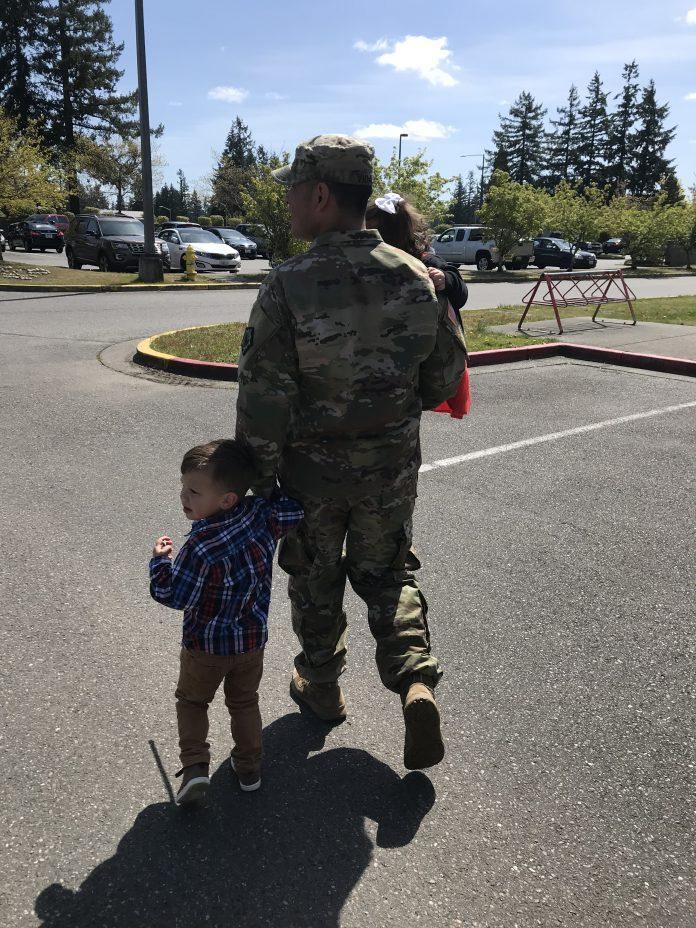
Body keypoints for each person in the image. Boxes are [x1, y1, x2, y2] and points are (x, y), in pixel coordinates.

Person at [235, 134, 467, 771]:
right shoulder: (419, 277)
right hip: (391, 468)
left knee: (314, 575)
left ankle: (324, 688)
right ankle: (414, 679)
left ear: (319, 194)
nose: (286, 202)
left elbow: (262, 398)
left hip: (310, 474)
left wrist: (254, 479)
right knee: (388, 572)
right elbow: (446, 377)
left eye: (291, 190)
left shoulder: (288, 284)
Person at [149, 439, 303, 805]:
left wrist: (159, 564)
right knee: (245, 702)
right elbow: (293, 511)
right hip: (251, 642)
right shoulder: (261, 517)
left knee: (192, 702)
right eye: (184, 487)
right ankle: (249, 768)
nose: (184, 496)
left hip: (205, 646)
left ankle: (195, 769)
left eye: (194, 491)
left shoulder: (200, 546)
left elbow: (175, 596)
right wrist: (269, 492)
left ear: (227, 499)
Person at [365, 191, 468, 314]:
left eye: (372, 232)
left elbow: (461, 295)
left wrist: (446, 279)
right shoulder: (367, 261)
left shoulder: (424, 261)